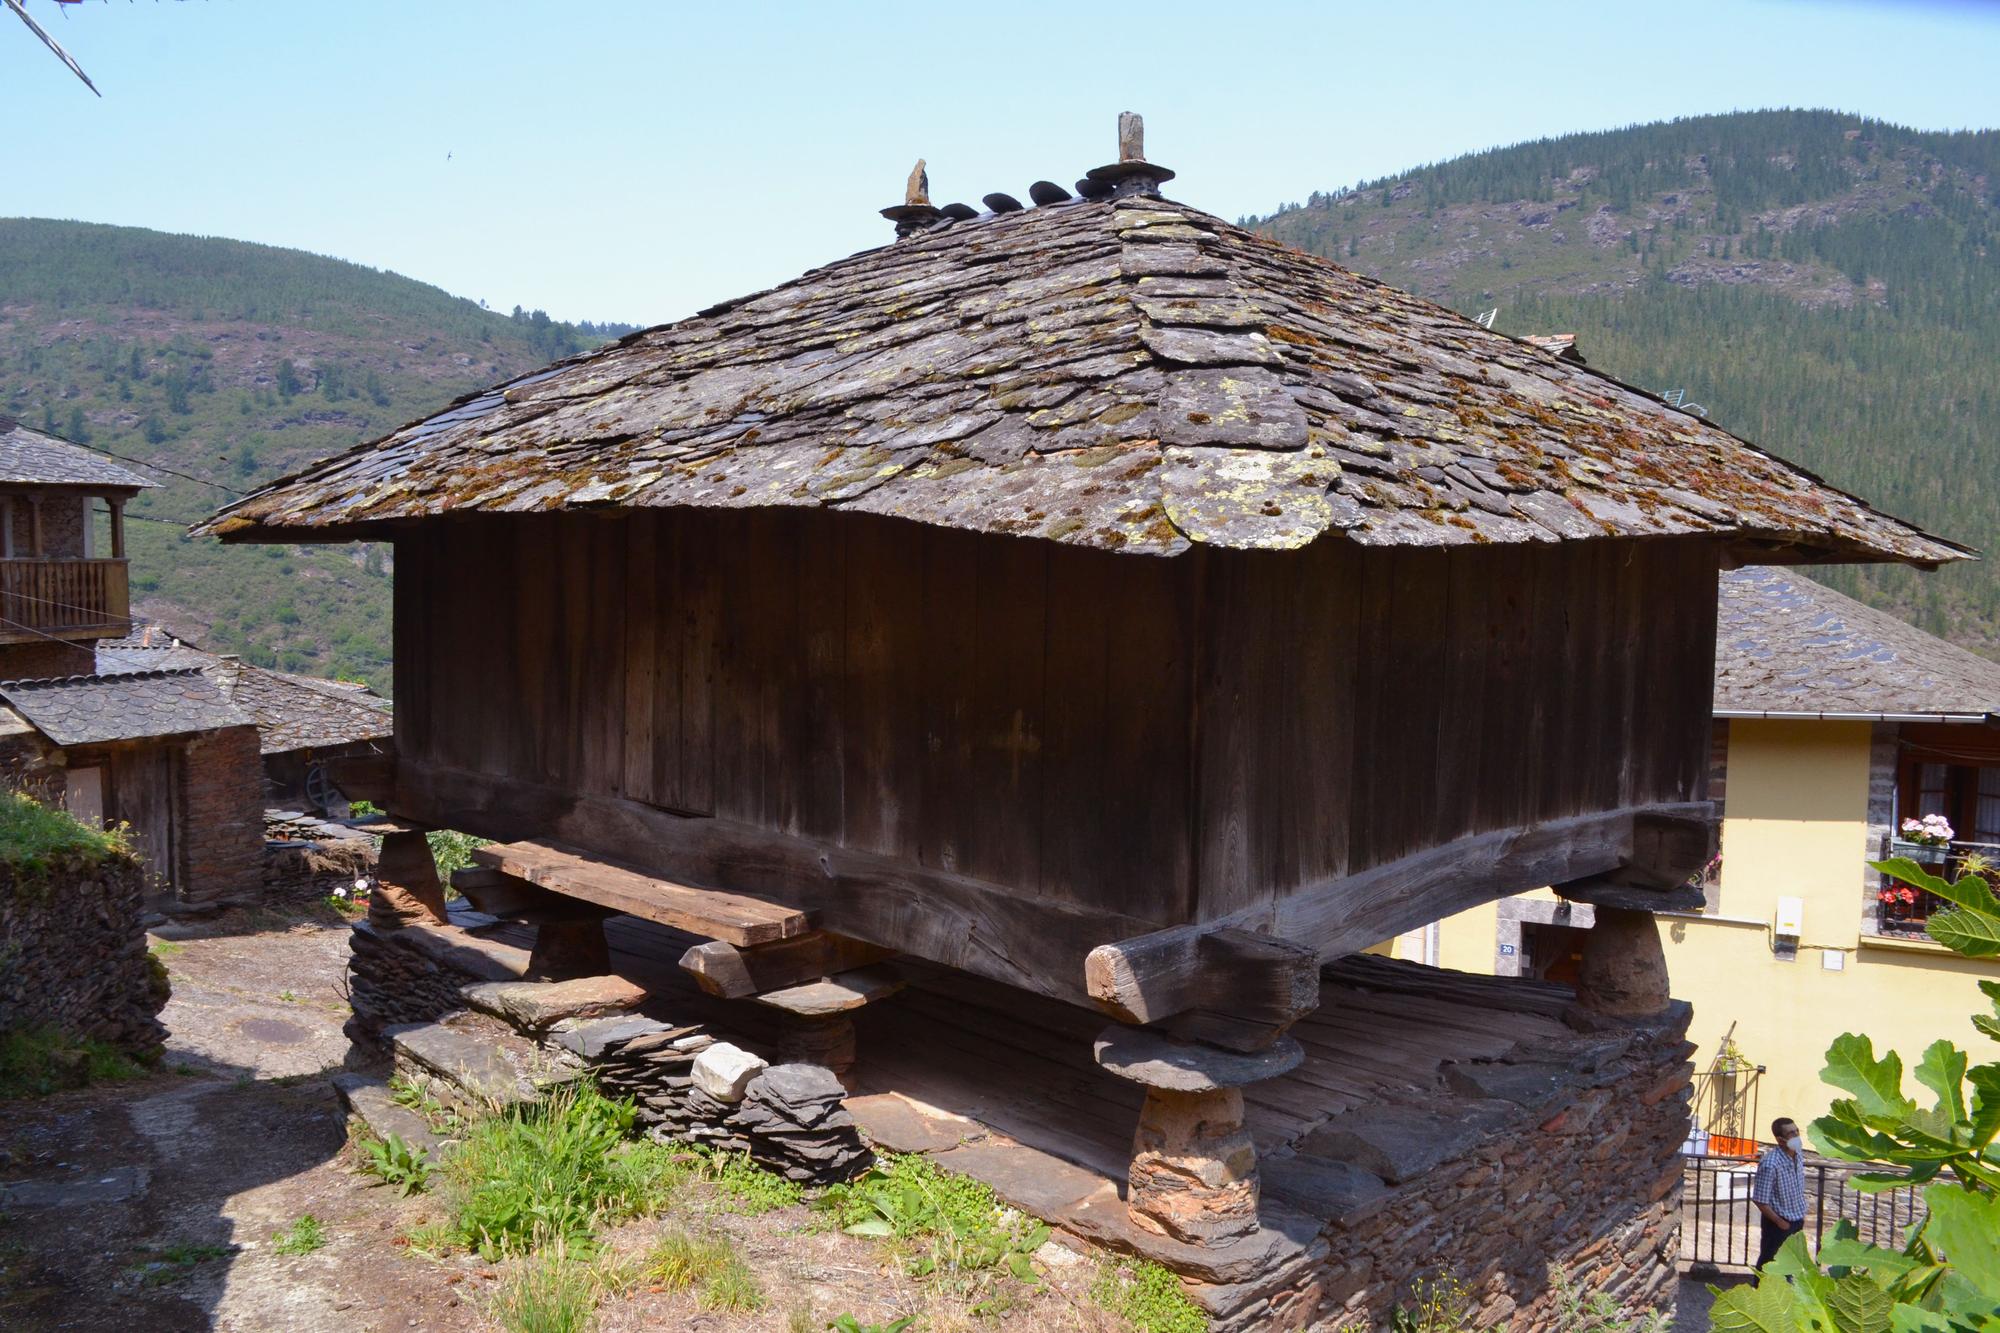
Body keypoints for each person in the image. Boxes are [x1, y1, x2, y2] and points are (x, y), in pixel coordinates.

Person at [1751, 1116, 1808, 1266]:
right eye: (1791, 1134)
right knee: (1771, 1263)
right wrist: (1779, 1222)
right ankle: (1761, 1289)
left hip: (1797, 1219)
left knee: (1791, 1263)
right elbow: (1759, 1199)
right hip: (1779, 1223)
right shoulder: (1771, 1163)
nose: (1796, 1136)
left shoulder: (1798, 1155)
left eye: (1797, 1131)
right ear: (1780, 1139)